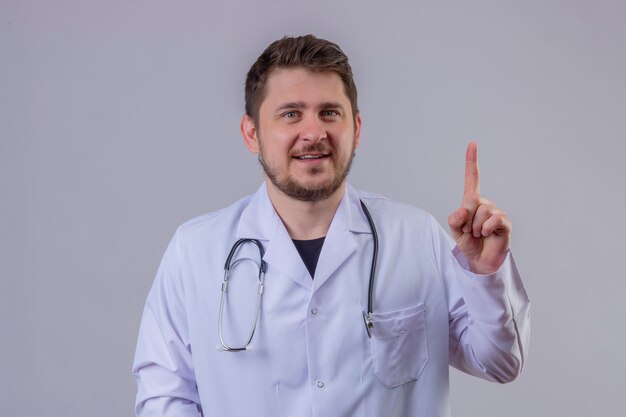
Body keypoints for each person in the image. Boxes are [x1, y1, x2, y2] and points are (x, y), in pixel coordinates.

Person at [132, 34, 530, 417]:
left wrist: (486, 274)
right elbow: (164, 396)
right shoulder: (195, 250)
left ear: (356, 129)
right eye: (291, 114)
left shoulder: (416, 237)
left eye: (329, 113)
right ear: (252, 134)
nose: (314, 133)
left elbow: (499, 363)